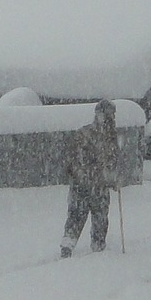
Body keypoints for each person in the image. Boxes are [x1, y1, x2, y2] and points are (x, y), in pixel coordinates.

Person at [61, 100, 120, 257]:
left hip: (99, 185)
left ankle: (98, 249)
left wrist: (113, 178)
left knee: (99, 218)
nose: (109, 118)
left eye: (112, 115)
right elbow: (71, 159)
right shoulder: (84, 134)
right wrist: (81, 175)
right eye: (107, 115)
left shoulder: (111, 137)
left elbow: (113, 161)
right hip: (83, 185)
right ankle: (67, 248)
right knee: (76, 216)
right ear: (98, 115)